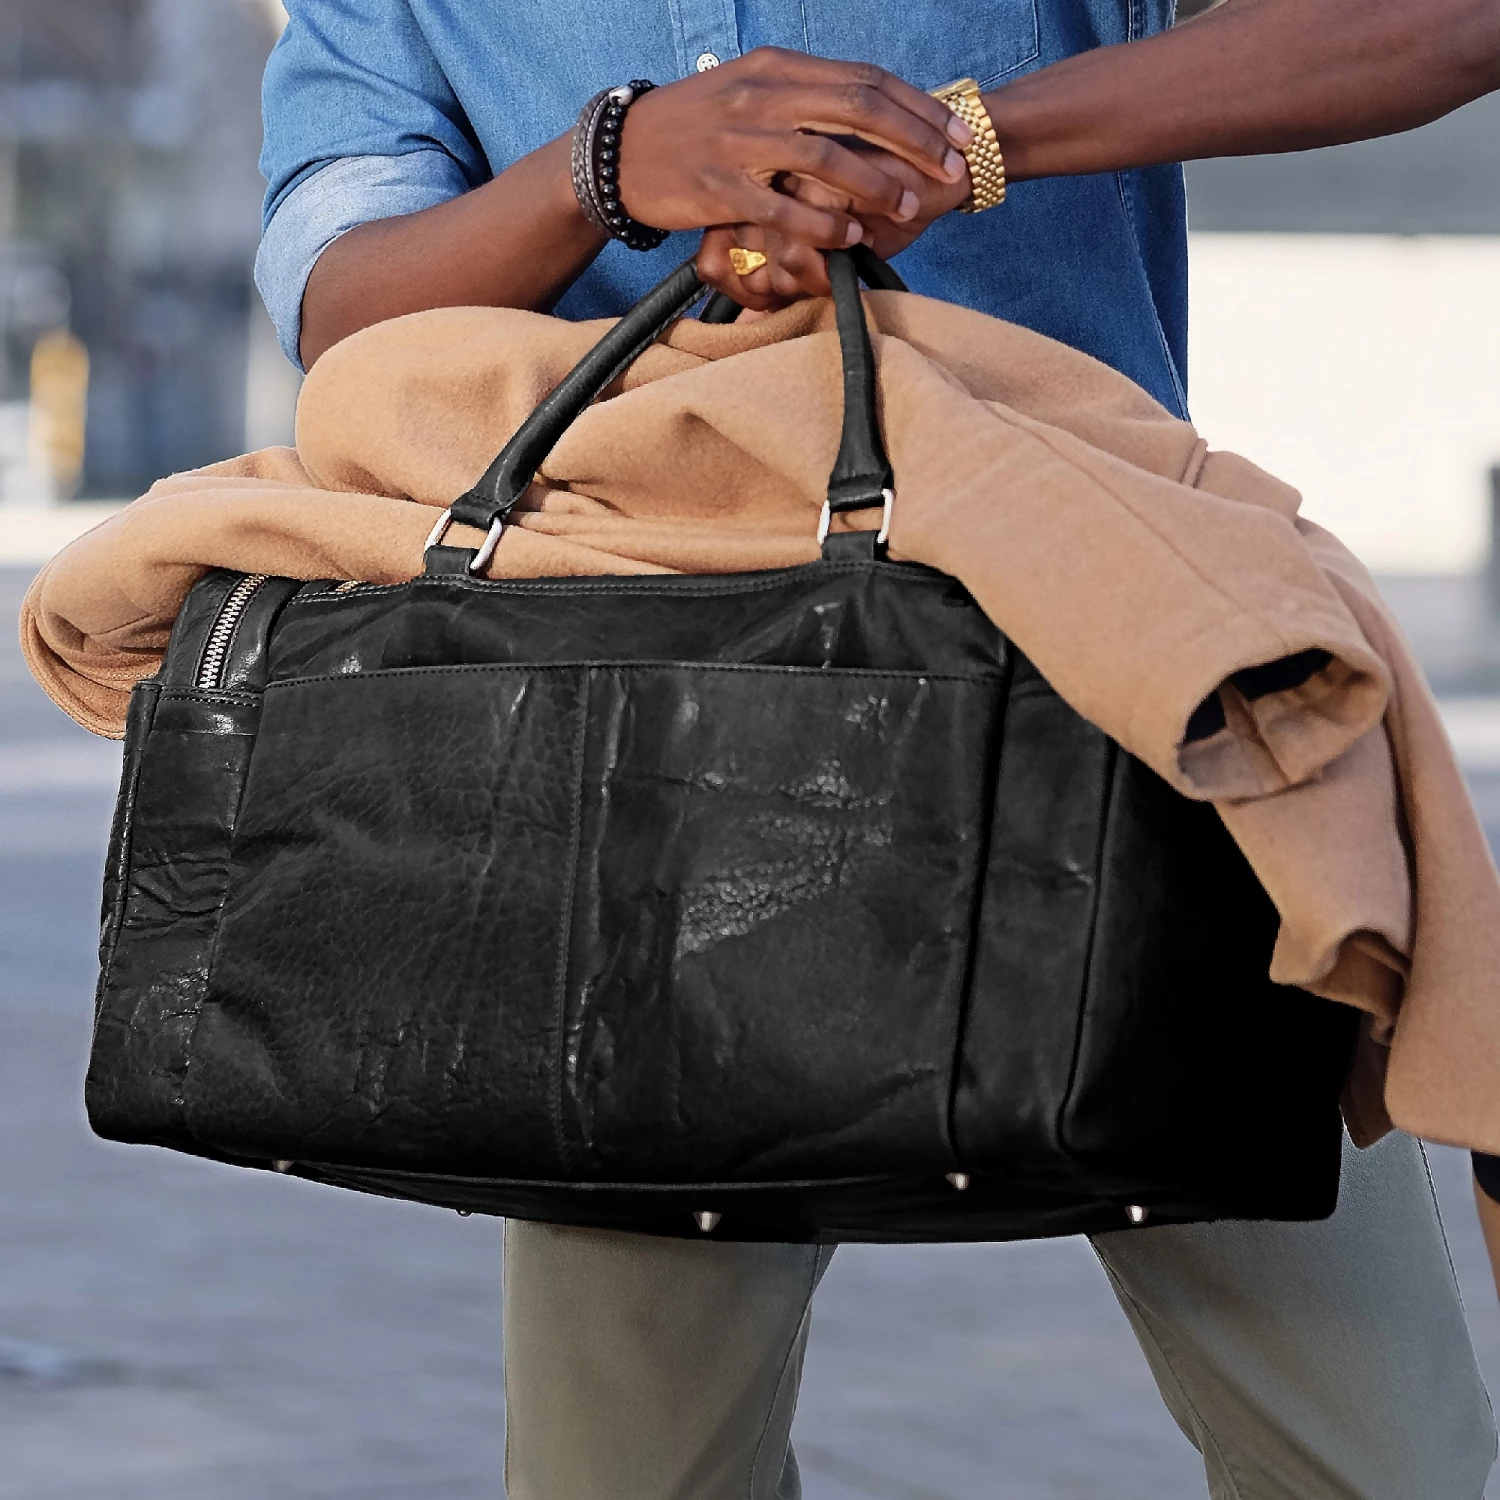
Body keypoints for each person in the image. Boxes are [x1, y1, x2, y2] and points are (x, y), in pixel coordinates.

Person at [256, 3, 1500, 1495]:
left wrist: (952, 142)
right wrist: (606, 166)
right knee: (632, 1477)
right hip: (660, 742)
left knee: (1384, 1463)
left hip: (1123, 677)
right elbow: (342, 311)